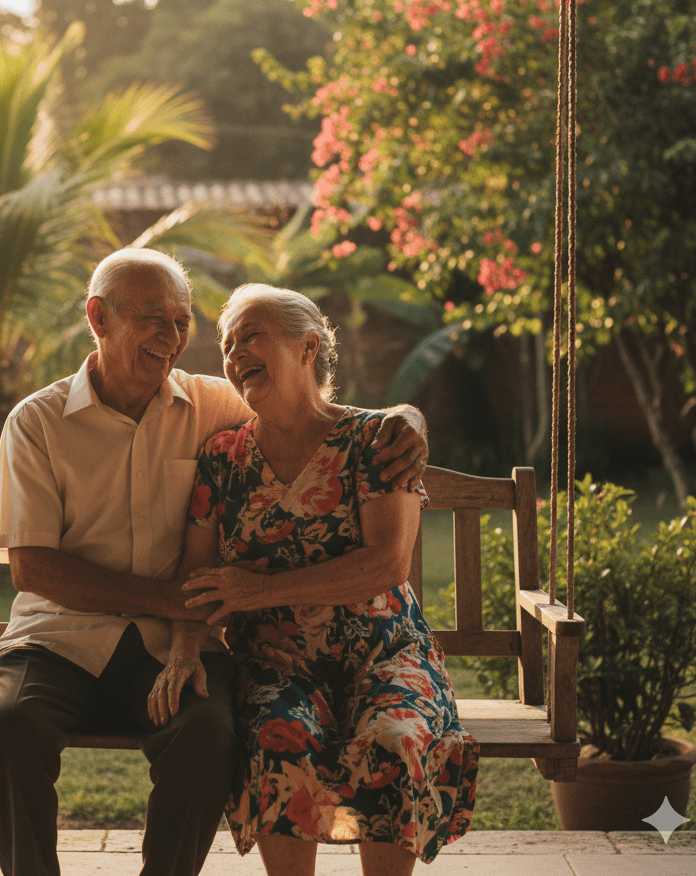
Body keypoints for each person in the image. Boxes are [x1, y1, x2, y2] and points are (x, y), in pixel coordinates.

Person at [0, 250, 431, 876]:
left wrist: (409, 418)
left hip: (169, 645)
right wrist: (181, 600)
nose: (172, 337)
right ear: (98, 318)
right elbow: (34, 571)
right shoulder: (38, 422)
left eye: (183, 321)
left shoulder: (215, 405)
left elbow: (311, 414)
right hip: (58, 638)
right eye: (153, 317)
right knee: (9, 731)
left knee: (209, 735)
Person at [148, 283, 478, 876]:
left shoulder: (377, 441)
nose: (236, 351)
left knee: (395, 739)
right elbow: (195, 574)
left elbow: (386, 565)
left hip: (387, 655)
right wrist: (183, 651)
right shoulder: (221, 457)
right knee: (278, 739)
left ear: (307, 347)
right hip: (278, 663)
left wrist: (260, 591)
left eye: (252, 335)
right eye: (228, 343)